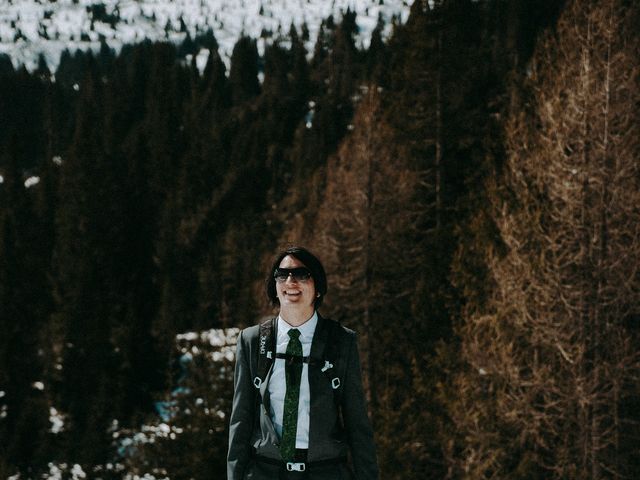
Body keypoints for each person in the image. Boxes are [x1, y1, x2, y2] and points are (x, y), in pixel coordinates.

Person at [227, 246, 378, 480]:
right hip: (265, 472)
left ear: (318, 288)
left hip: (325, 472)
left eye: (301, 274)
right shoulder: (253, 341)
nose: (290, 281)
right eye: (282, 274)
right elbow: (240, 422)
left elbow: (357, 424)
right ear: (274, 287)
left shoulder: (341, 341)